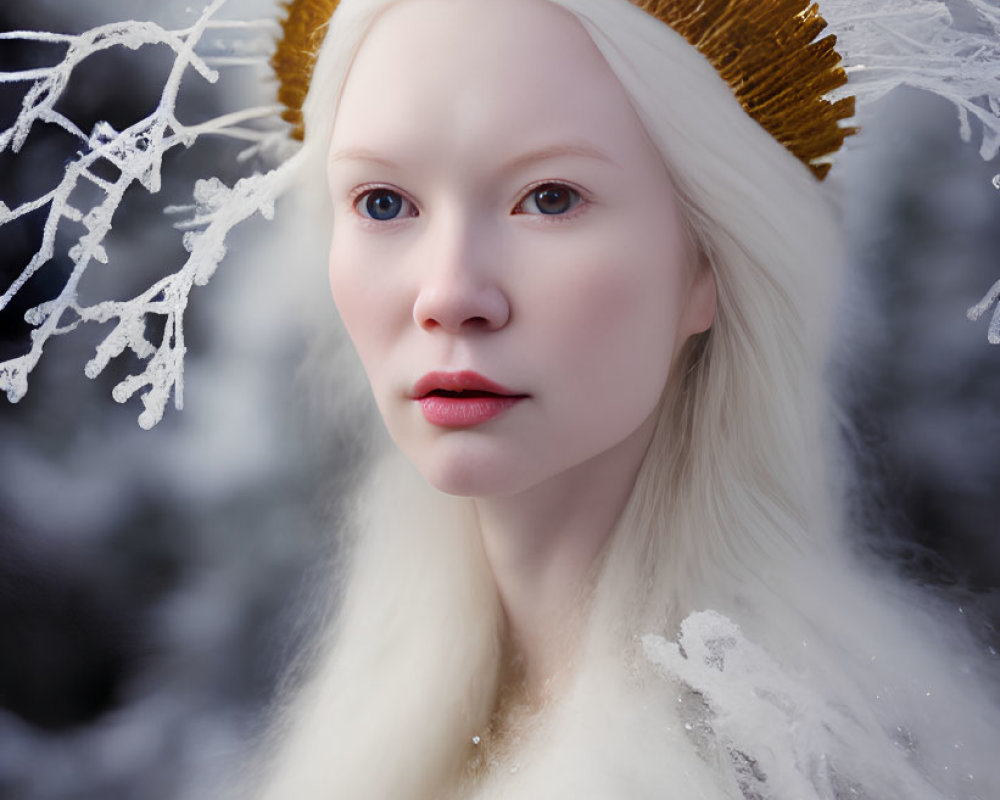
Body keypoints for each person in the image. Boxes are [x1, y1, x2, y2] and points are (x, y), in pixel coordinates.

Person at [241, 0, 1000, 798]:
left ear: (708, 263)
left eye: (551, 197)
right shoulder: (386, 710)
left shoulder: (800, 767)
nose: (451, 293)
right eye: (383, 203)